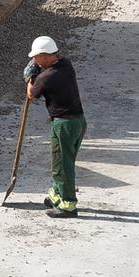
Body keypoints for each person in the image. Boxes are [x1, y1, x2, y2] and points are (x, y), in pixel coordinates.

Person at [24, 34, 86, 219]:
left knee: (63, 165)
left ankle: (68, 205)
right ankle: (56, 195)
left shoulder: (47, 77)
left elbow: (31, 95)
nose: (34, 60)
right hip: (77, 122)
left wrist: (29, 78)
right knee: (61, 162)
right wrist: (37, 71)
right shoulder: (65, 64)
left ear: (44, 56)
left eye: (35, 57)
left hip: (64, 125)